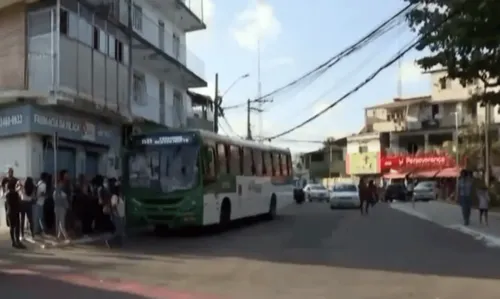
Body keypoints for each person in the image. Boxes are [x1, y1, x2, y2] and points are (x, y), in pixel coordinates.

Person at [6, 180, 24, 248]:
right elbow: (18, 202)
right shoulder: (15, 194)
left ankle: (13, 242)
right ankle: (18, 242)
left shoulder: (7, 194)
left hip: (9, 212)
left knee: (11, 227)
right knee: (17, 227)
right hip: (15, 212)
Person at [53, 170, 70, 243]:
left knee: (60, 222)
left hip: (61, 206)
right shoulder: (60, 186)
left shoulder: (64, 185)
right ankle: (64, 236)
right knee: (60, 222)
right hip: (60, 206)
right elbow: (59, 196)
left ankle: (61, 236)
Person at [109, 182, 125, 247]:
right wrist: (117, 214)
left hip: (120, 215)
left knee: (120, 231)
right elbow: (114, 206)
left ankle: (119, 243)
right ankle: (109, 241)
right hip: (116, 216)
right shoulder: (114, 197)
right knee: (118, 231)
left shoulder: (120, 197)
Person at [19, 177, 35, 241]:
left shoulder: (22, 187)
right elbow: (33, 196)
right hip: (29, 204)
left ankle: (21, 235)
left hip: (22, 204)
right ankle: (32, 235)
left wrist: (21, 186)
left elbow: (19, 193)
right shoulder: (32, 188)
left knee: (22, 220)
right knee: (30, 220)